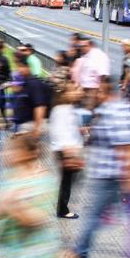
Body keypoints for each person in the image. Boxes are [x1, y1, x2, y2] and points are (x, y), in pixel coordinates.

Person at [59, 77, 130, 258]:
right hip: (112, 174)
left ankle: (80, 253)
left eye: (98, 91)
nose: (94, 94)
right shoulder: (115, 109)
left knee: (94, 214)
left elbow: (127, 146)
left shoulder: (114, 112)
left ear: (105, 92)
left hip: (111, 175)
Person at [49, 84, 83, 219]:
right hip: (65, 150)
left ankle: (62, 207)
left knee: (70, 179)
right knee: (67, 181)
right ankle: (62, 210)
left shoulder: (68, 108)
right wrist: (68, 152)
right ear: (65, 94)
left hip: (69, 149)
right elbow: (59, 131)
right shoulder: (61, 109)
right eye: (74, 90)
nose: (78, 92)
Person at [11, 60, 49, 134]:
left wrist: (37, 128)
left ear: (29, 67)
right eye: (17, 66)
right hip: (23, 125)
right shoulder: (24, 82)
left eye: (21, 66)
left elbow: (40, 106)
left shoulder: (34, 84)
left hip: (31, 126)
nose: (18, 69)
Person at [75, 37, 111, 108]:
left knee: (90, 109)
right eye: (81, 46)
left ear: (91, 45)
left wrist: (101, 91)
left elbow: (103, 75)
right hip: (84, 89)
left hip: (93, 90)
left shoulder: (99, 56)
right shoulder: (86, 55)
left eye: (84, 46)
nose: (82, 48)